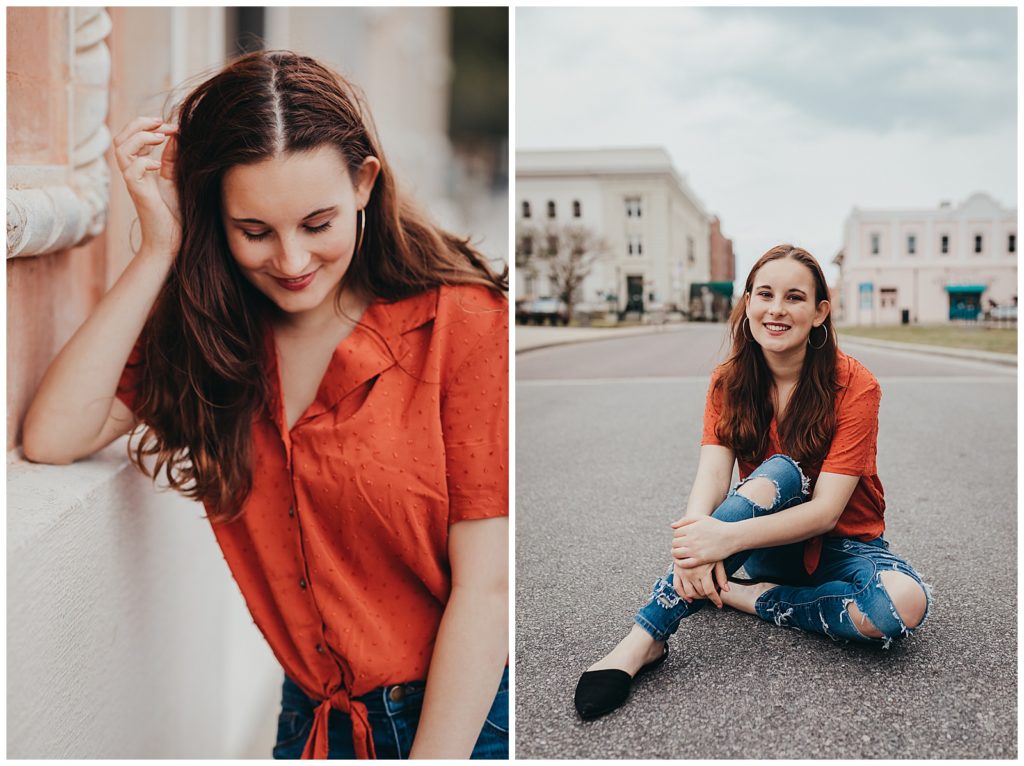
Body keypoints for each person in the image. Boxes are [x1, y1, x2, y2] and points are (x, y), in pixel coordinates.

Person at [22, 50, 509, 759]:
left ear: (364, 184)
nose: (290, 260)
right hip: (309, 723)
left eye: (318, 224)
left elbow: (488, 587)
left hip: (461, 725)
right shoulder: (212, 333)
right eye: (255, 231)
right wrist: (161, 244)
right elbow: (53, 435)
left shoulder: (462, 324)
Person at [573, 244, 932, 720]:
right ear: (747, 303)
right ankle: (644, 640)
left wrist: (724, 538)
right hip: (767, 544)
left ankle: (749, 596)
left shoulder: (855, 384)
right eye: (764, 294)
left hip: (844, 547)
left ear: (820, 313)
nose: (777, 309)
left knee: (901, 606)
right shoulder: (729, 381)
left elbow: (826, 511)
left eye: (795, 297)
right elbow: (712, 477)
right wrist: (696, 541)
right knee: (780, 472)